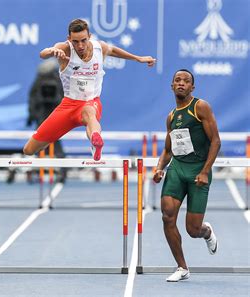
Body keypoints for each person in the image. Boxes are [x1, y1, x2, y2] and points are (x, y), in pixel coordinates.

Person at [23, 19, 156, 160]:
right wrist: (52, 51)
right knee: (29, 150)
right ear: (69, 39)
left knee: (89, 112)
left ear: (89, 36)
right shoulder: (64, 48)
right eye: (75, 41)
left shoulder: (100, 48)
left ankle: (95, 140)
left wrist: (138, 58)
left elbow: (113, 50)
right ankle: (47, 142)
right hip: (68, 106)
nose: (80, 45)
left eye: (83, 40)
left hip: (91, 102)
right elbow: (43, 54)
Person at [153, 69, 220, 282]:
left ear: (192, 87)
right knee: (167, 215)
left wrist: (204, 171)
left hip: (198, 171)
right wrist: (158, 168)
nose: (181, 83)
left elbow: (216, 141)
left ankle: (206, 231)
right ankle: (182, 267)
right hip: (178, 169)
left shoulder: (200, 107)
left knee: (192, 229)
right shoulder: (171, 117)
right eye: (177, 80)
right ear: (172, 86)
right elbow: (167, 149)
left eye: (186, 81)